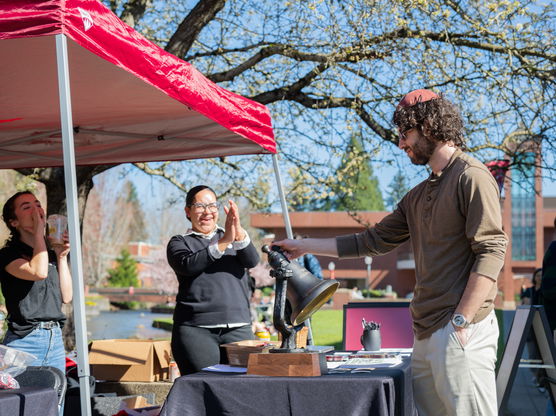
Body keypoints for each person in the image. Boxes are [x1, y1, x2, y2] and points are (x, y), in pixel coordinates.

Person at [274, 89, 508, 416]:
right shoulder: (417, 196)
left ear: (428, 126)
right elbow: (372, 240)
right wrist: (304, 246)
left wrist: (462, 320)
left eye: (405, 134)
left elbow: (492, 249)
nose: (401, 144)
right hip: (425, 334)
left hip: (460, 331)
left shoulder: (472, 176)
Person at [167, 185, 260, 374]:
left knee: (244, 388)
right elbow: (188, 265)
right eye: (200, 206)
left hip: (238, 328)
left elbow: (252, 260)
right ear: (188, 211)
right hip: (195, 330)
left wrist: (238, 232)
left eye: (212, 206)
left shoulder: (235, 238)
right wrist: (225, 241)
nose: (207, 212)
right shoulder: (180, 242)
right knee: (203, 387)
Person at [0, 191, 72, 375]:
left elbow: (67, 296)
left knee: (55, 402)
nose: (36, 209)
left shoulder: (48, 255)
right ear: (13, 222)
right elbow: (38, 272)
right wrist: (40, 233)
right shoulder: (8, 254)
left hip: (54, 339)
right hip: (25, 342)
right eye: (27, 207)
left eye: (38, 204)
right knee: (22, 403)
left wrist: (61, 257)